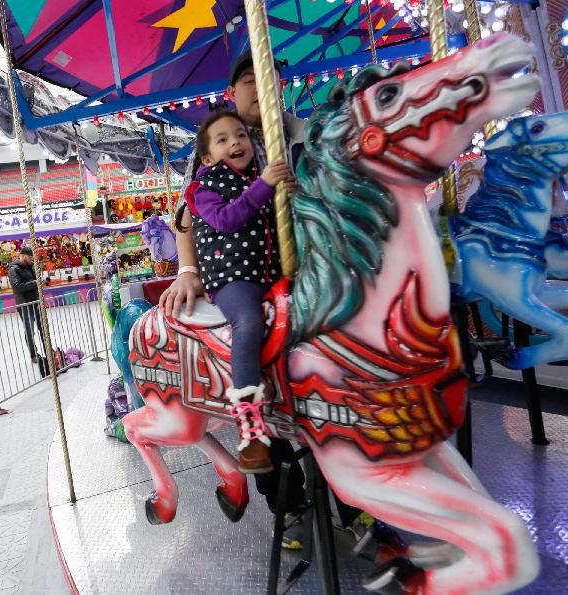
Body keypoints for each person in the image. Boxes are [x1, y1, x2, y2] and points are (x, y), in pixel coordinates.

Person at [161, 51, 354, 550]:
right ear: (235, 91)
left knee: (333, 373)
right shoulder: (210, 152)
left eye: (268, 79)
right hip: (241, 276)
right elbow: (189, 218)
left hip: (301, 272)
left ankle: (358, 504)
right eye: (250, 80)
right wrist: (188, 269)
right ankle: (283, 499)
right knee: (256, 355)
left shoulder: (297, 135)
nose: (259, 87)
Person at [188, 109, 295, 474]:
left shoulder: (257, 179)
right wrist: (264, 186)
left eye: (241, 136)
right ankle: (249, 426)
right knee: (248, 324)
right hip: (233, 279)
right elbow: (226, 219)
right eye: (223, 139)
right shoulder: (203, 189)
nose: (235, 142)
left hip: (270, 274)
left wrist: (284, 195)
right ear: (207, 158)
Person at [8, 246, 48, 377]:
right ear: (23, 255)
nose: (32, 260)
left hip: (36, 302)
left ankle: (47, 349)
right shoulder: (14, 270)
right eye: (31, 257)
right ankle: (33, 354)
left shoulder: (31, 267)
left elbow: (36, 282)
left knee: (43, 328)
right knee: (30, 330)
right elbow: (18, 287)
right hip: (24, 305)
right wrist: (35, 283)